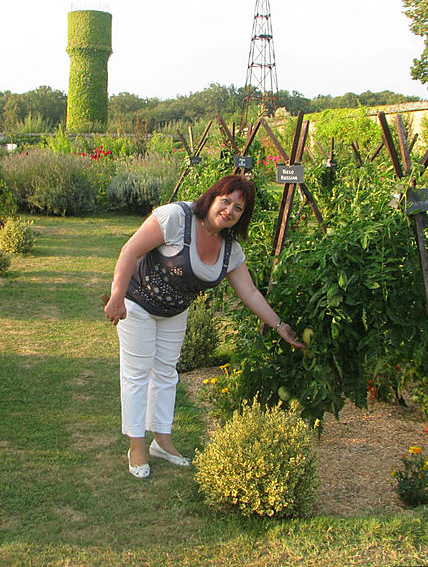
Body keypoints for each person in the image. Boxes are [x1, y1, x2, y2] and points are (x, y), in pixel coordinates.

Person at [104, 174, 306, 478]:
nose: (229, 210)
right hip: (137, 302)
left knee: (166, 374)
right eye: (226, 201)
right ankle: (136, 446)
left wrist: (279, 325)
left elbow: (250, 292)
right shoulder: (175, 218)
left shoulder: (230, 251)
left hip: (174, 312)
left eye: (238, 208)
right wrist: (117, 297)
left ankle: (163, 441)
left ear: (242, 216)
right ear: (212, 198)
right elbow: (130, 251)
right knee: (137, 373)